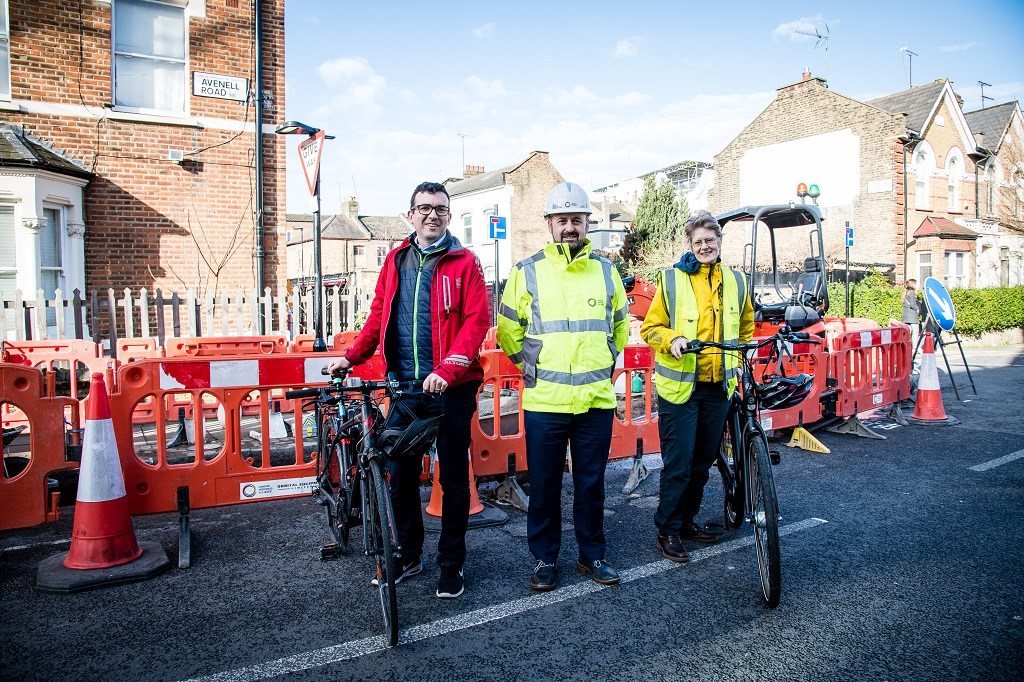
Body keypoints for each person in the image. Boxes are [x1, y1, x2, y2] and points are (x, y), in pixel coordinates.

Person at [327, 181, 489, 599]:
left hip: (451, 389)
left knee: (453, 479)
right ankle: (409, 553)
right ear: (410, 215)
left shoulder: (466, 263)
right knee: (398, 475)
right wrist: (352, 356)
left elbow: (476, 322)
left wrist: (449, 369)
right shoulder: (396, 260)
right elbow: (379, 313)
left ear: (448, 216)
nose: (432, 214)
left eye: (440, 208)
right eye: (424, 208)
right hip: (406, 389)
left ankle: (451, 563)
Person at [497, 182, 629, 591]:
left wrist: (602, 363)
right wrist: (529, 367)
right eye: (562, 220)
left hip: (594, 401)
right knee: (546, 485)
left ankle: (592, 556)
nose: (570, 227)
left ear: (587, 223)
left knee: (591, 485)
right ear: (549, 225)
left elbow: (620, 326)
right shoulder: (526, 270)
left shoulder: (607, 271)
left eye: (577, 219)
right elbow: (507, 330)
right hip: (546, 400)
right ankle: (544, 560)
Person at [640, 210, 754, 564]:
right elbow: (650, 328)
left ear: (720, 242)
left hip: (718, 386)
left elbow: (745, 326)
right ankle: (668, 530)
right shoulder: (672, 280)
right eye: (698, 242)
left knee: (703, 462)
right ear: (689, 245)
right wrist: (672, 338)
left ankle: (687, 522)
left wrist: (741, 361)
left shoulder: (736, 281)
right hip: (681, 389)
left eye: (710, 240)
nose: (705, 246)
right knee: (680, 463)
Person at [903, 279, 922, 365]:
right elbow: (913, 304)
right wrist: (917, 309)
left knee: (909, 332)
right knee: (915, 332)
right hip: (912, 316)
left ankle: (907, 347)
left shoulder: (906, 292)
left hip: (906, 316)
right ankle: (915, 348)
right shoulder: (911, 292)